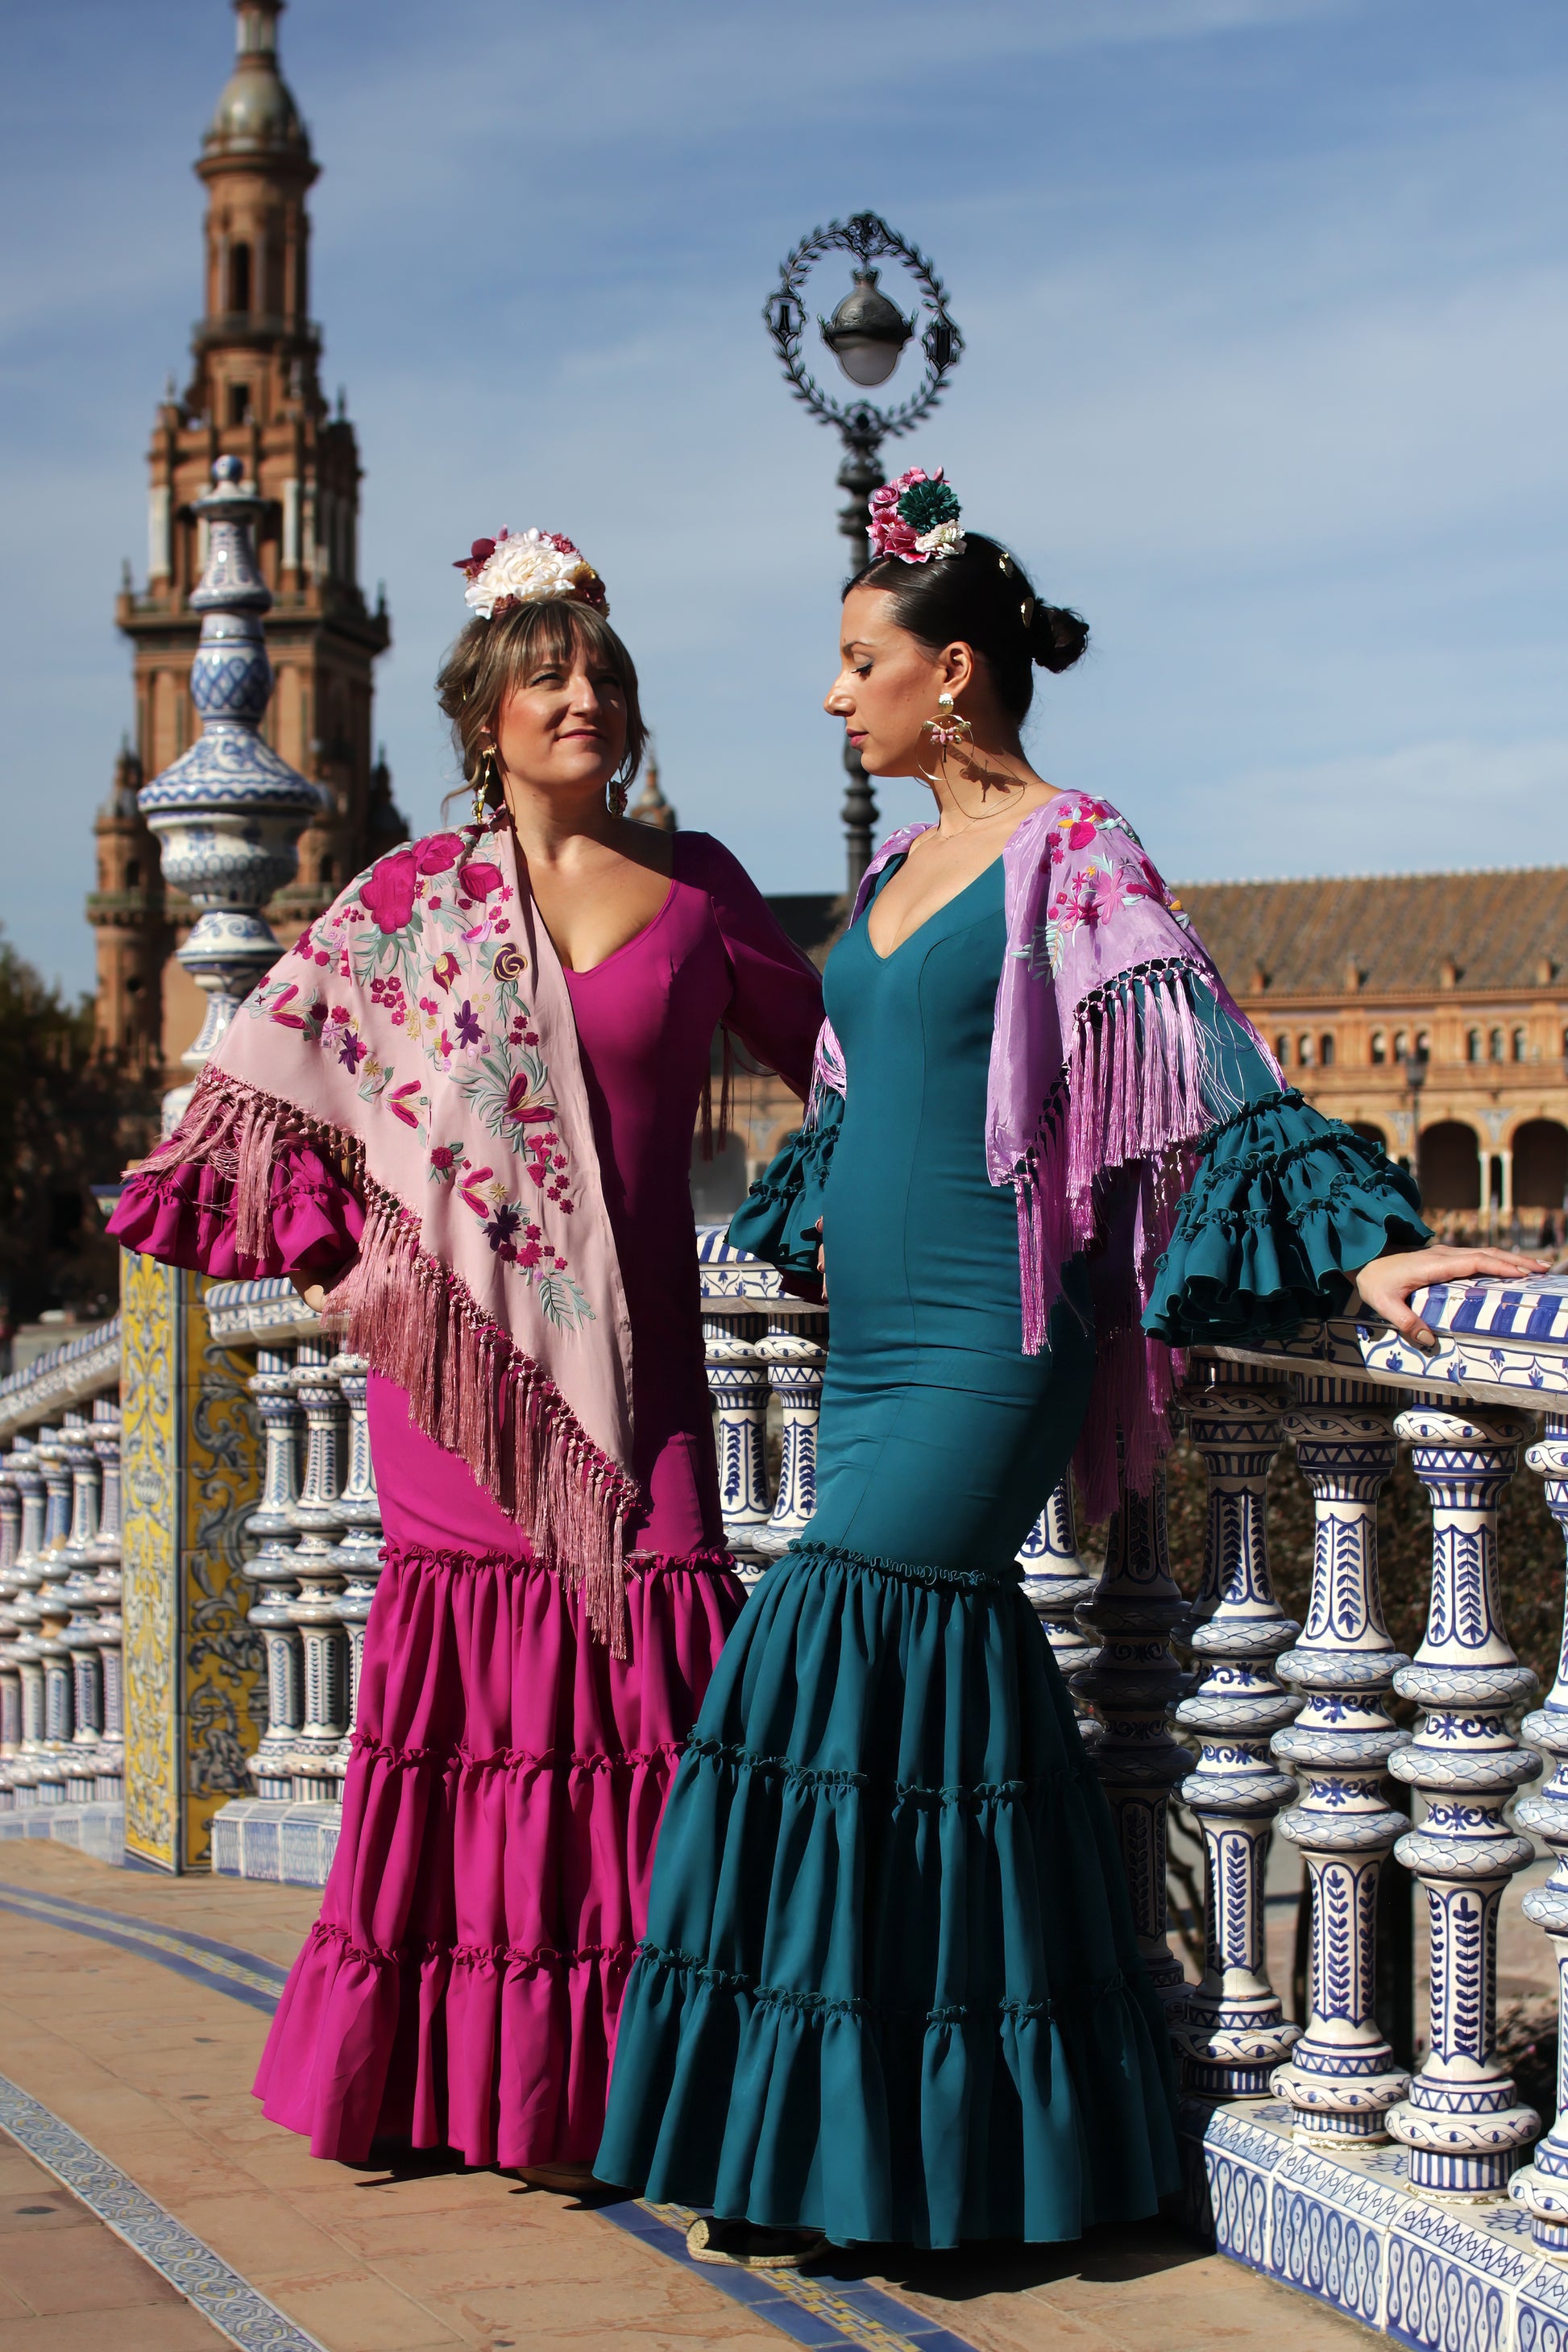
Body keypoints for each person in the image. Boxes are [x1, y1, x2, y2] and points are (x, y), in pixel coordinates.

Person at [595, 467, 1545, 2260]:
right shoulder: (894, 862)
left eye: (853, 659)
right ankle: (913, 2150)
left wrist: (1370, 1239)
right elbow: (855, 1100)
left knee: (836, 1632)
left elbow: (1199, 1060)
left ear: (948, 673)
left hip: (990, 1340)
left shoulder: (1071, 848)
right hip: (871, 1344)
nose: (828, 692)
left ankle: (897, 2138)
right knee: (919, 1700)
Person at [109, 528, 823, 2182]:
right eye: (548, 672)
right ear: (484, 714)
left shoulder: (700, 884)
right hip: (456, 1396)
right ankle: (462, 2084)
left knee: (651, 1695)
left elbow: (862, 1061)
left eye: (604, 671)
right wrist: (341, 1269)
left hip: (639, 1394)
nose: (585, 695)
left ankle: (644, 2086)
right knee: (477, 1730)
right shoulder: (405, 907)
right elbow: (245, 1112)